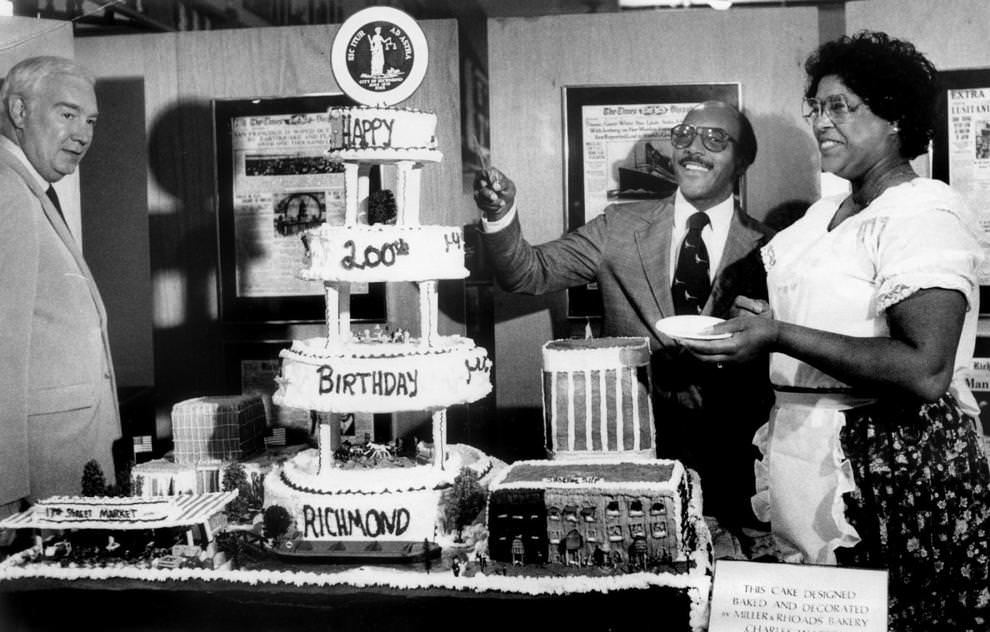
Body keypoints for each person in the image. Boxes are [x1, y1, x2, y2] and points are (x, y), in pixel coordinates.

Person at [679, 32, 990, 629]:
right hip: (809, 446)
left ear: (895, 116)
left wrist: (779, 336)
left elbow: (925, 369)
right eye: (816, 108)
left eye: (840, 107)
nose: (821, 122)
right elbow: (820, 325)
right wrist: (761, 329)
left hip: (889, 467)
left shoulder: (923, 213)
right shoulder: (829, 212)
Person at [474, 101, 775, 533]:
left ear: (743, 160)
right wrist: (500, 214)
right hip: (631, 446)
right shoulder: (618, 225)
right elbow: (527, 272)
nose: (694, 148)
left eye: (715, 139)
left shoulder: (772, 247)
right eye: (684, 136)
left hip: (732, 457)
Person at [0, 57, 120, 520]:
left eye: (89, 121)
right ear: (19, 111)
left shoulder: (28, 187)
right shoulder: (7, 193)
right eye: (67, 115)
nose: (84, 134)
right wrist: (4, 482)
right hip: (38, 476)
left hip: (64, 465)